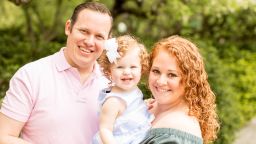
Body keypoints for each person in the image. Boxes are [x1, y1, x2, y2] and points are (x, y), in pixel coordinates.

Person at [0, 2, 112, 144]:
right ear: (68, 27)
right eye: (84, 31)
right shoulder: (31, 75)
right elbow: (4, 137)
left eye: (99, 36)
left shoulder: (112, 84)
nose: (90, 41)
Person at [140, 35, 220, 144]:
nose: (160, 81)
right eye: (156, 71)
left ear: (189, 80)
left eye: (172, 75)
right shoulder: (146, 106)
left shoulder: (177, 131)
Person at [92, 35, 154, 144]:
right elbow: (105, 130)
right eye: (120, 67)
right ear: (109, 71)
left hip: (138, 136)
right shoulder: (113, 101)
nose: (127, 72)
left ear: (141, 69)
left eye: (133, 67)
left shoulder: (134, 90)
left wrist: (144, 105)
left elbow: (130, 110)